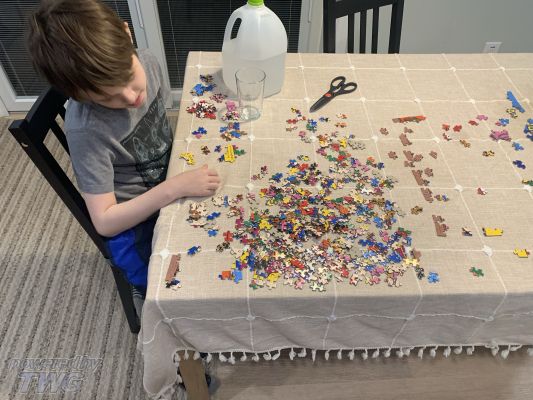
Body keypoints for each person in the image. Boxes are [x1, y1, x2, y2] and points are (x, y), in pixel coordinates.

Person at [27, 0, 221, 317]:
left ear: (126, 33)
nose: (131, 98)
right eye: (108, 97)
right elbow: (105, 221)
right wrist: (174, 188)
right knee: (175, 292)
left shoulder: (149, 61)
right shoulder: (87, 130)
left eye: (129, 77)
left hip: (168, 176)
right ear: (78, 95)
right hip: (133, 223)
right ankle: (143, 292)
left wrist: (176, 182)